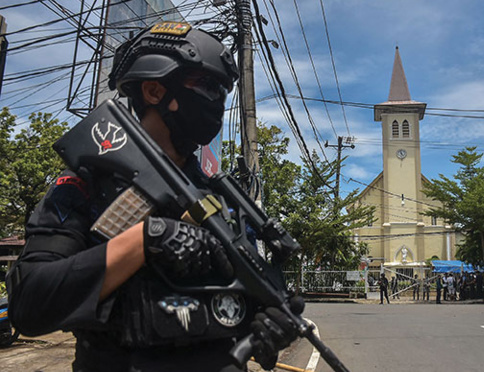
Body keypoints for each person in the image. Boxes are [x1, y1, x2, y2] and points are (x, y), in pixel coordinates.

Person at [7, 22, 302, 372]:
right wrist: (146, 239)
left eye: (223, 91)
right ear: (153, 91)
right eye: (206, 85)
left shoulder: (221, 200)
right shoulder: (87, 184)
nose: (218, 102)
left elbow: (242, 307)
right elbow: (30, 305)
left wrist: (268, 327)